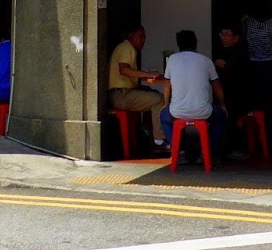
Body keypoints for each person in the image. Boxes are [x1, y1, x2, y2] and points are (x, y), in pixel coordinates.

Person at [158, 29, 230, 163]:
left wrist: (166, 104)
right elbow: (217, 86)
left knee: (164, 117)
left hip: (177, 111)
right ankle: (209, 153)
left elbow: (167, 85)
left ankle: (179, 151)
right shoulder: (206, 60)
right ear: (196, 44)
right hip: (203, 111)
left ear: (178, 45)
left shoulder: (172, 59)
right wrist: (222, 104)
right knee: (221, 118)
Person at [107, 26, 169, 155]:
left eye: (144, 38)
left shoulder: (127, 48)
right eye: (140, 37)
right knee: (158, 99)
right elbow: (124, 70)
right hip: (121, 95)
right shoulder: (126, 47)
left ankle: (148, 135)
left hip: (122, 93)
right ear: (130, 35)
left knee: (152, 94)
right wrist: (148, 74)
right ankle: (159, 141)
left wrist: (145, 82)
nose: (143, 40)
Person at [241, 0, 272, 151]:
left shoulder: (247, 20)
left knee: (256, 106)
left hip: (253, 66)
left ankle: (256, 140)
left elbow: (243, 40)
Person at [212, 22, 253, 121]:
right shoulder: (221, 49)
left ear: (236, 37)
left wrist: (225, 65)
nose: (223, 38)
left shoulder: (242, 51)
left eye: (227, 35)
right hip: (226, 94)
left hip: (240, 95)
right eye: (222, 34)